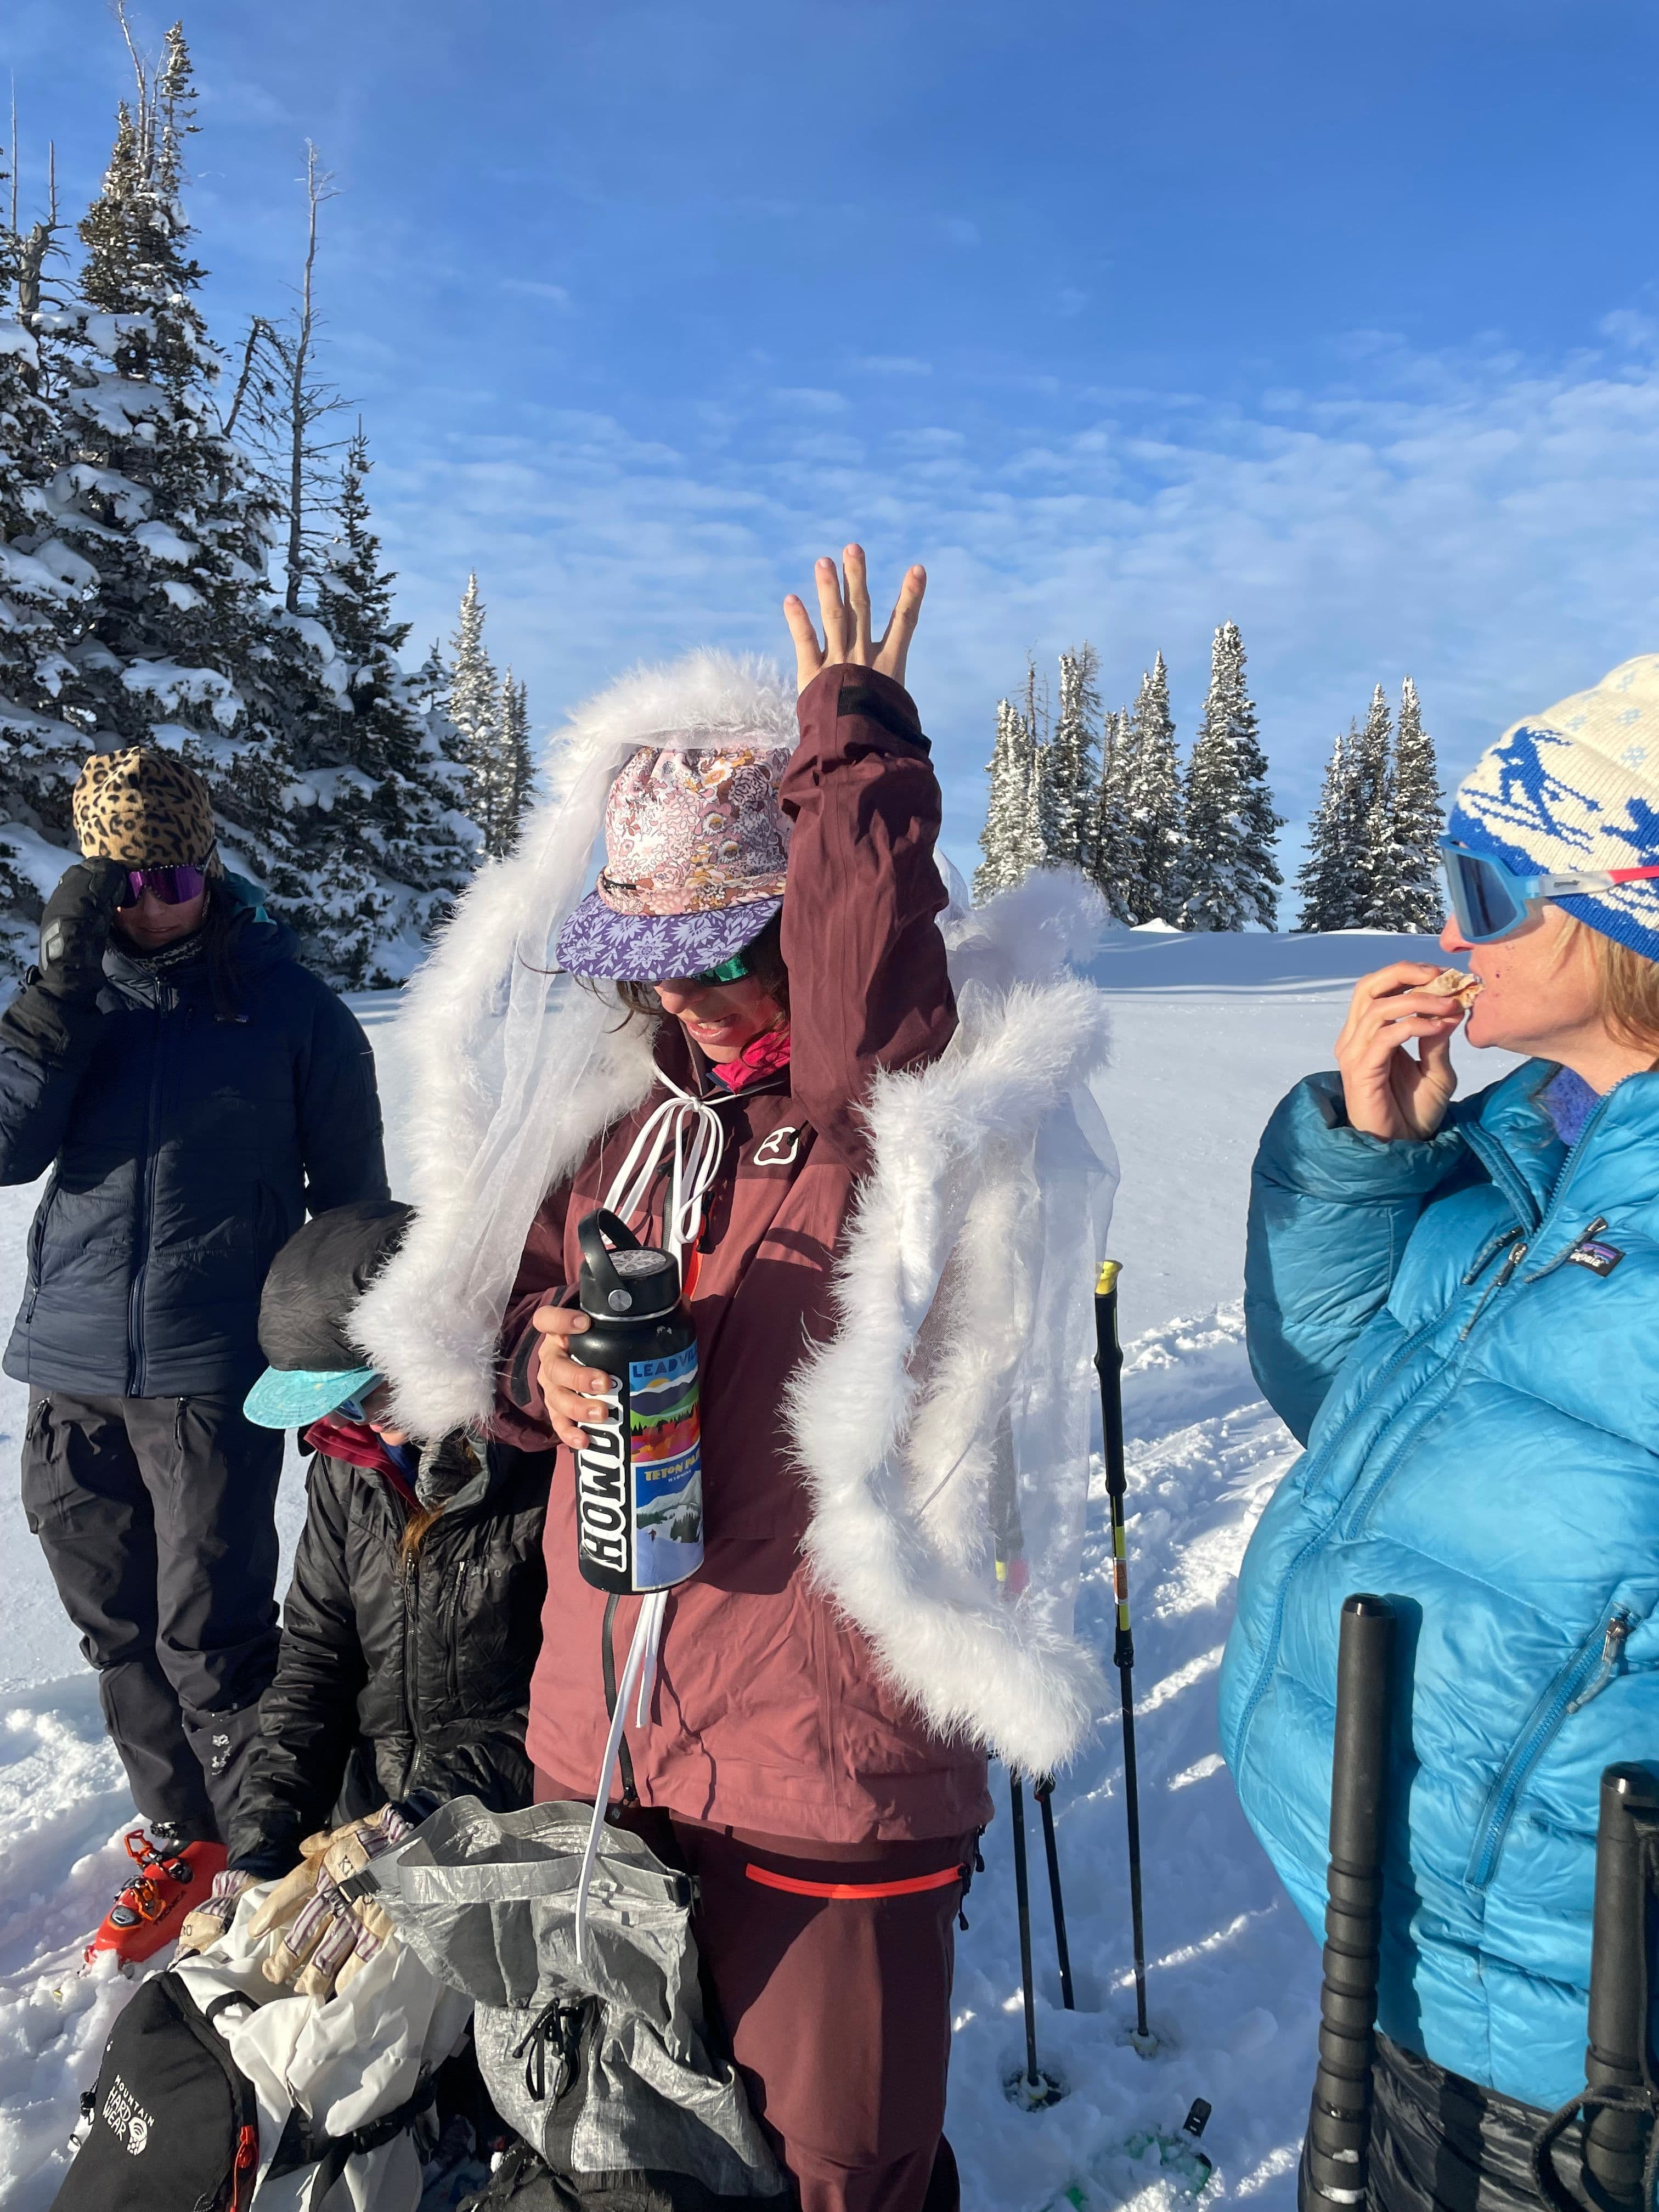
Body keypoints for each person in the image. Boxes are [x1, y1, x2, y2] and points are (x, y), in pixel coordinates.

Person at [358, 548, 1116, 2212]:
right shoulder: (628, 1132)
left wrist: (851, 760)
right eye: (648, 955)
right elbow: (499, 1331)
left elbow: (876, 1029)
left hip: (821, 1767)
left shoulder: (885, 1130)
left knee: (837, 2168)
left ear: (800, 917)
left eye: (719, 947)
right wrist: (536, 1370)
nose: (679, 991)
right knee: (627, 2145)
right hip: (610, 1748)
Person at [1220, 653, 1659, 2211]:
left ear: (1624, 925)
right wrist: (1369, 1159)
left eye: (1489, 885)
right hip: (1410, 1987)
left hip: (1586, 2081)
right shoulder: (1524, 1148)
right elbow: (1344, 1399)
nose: (1449, 930)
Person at [0, 747, 388, 1964]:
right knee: (114, 1629)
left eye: (170, 872)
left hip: (209, 1375)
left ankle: (271, 1848)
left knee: (211, 1640)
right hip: (69, 1367)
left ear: (209, 866)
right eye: (120, 879)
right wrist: (58, 991)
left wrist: (344, 1374)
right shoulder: (75, 1002)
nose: (148, 900)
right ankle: (186, 1837)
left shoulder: (294, 1012)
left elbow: (354, 1219)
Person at [223, 1200, 553, 1888]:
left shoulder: (541, 1469)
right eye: (338, 1404)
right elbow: (316, 1660)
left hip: (507, 1837)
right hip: (366, 1829)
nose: (360, 1424)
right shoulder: (350, 1467)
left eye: (365, 1392)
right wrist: (264, 1849)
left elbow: (565, 1693)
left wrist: (429, 1818)